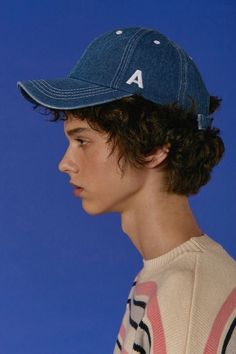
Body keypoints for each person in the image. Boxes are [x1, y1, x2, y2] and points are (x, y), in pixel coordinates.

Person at [17, 27, 235, 353]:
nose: (65, 163)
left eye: (83, 141)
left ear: (154, 147)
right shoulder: (164, 275)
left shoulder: (186, 293)